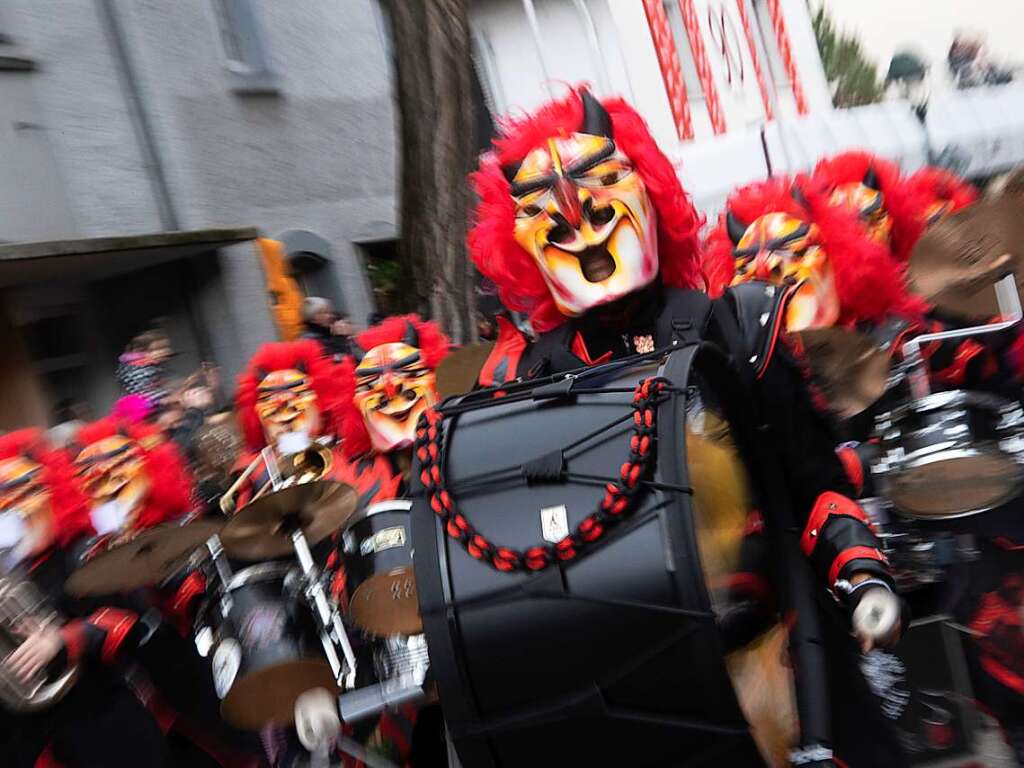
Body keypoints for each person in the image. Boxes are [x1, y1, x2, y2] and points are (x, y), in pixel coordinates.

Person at [467, 86, 905, 766]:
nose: (577, 217)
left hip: (779, 651)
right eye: (544, 207)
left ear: (647, 189)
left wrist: (859, 572)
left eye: (599, 183)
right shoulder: (523, 377)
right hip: (643, 689)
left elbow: (811, 481)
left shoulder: (736, 324)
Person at [0, 429, 172, 767]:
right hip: (24, 739)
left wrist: (65, 639)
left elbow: (135, 622)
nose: (9, 505)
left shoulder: (80, 552)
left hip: (100, 722)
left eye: (23, 491)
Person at [334, 314, 451, 767]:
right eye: (371, 381)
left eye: (408, 373)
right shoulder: (346, 483)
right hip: (396, 673)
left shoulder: (458, 446)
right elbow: (337, 571)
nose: (389, 389)